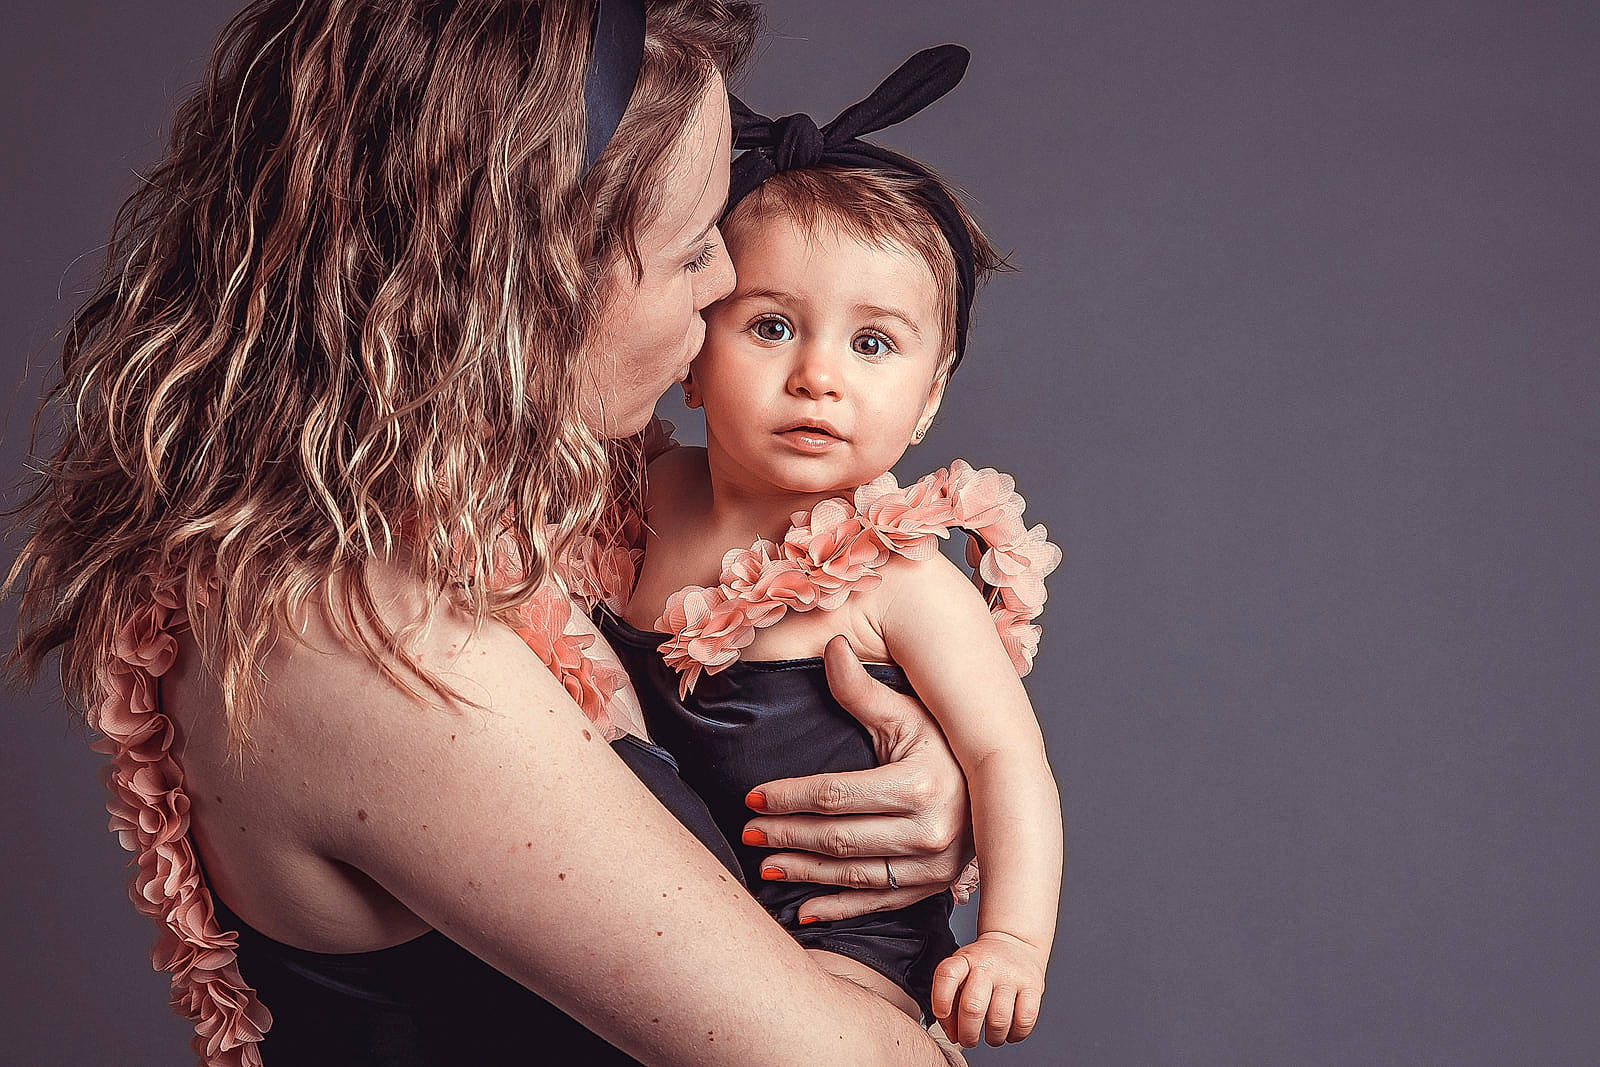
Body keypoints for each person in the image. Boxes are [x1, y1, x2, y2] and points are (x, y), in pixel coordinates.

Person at [3, 3, 980, 1064]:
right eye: (696, 246)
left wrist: (927, 773)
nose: (725, 286)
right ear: (526, 280)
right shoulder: (359, 639)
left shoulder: (550, 500)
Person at [595, 46, 1064, 1050]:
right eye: (770, 326)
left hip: (844, 951)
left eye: (872, 344)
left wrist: (1012, 940)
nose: (817, 376)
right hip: (651, 930)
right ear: (691, 350)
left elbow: (1004, 756)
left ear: (929, 396)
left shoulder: (897, 575)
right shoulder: (638, 494)